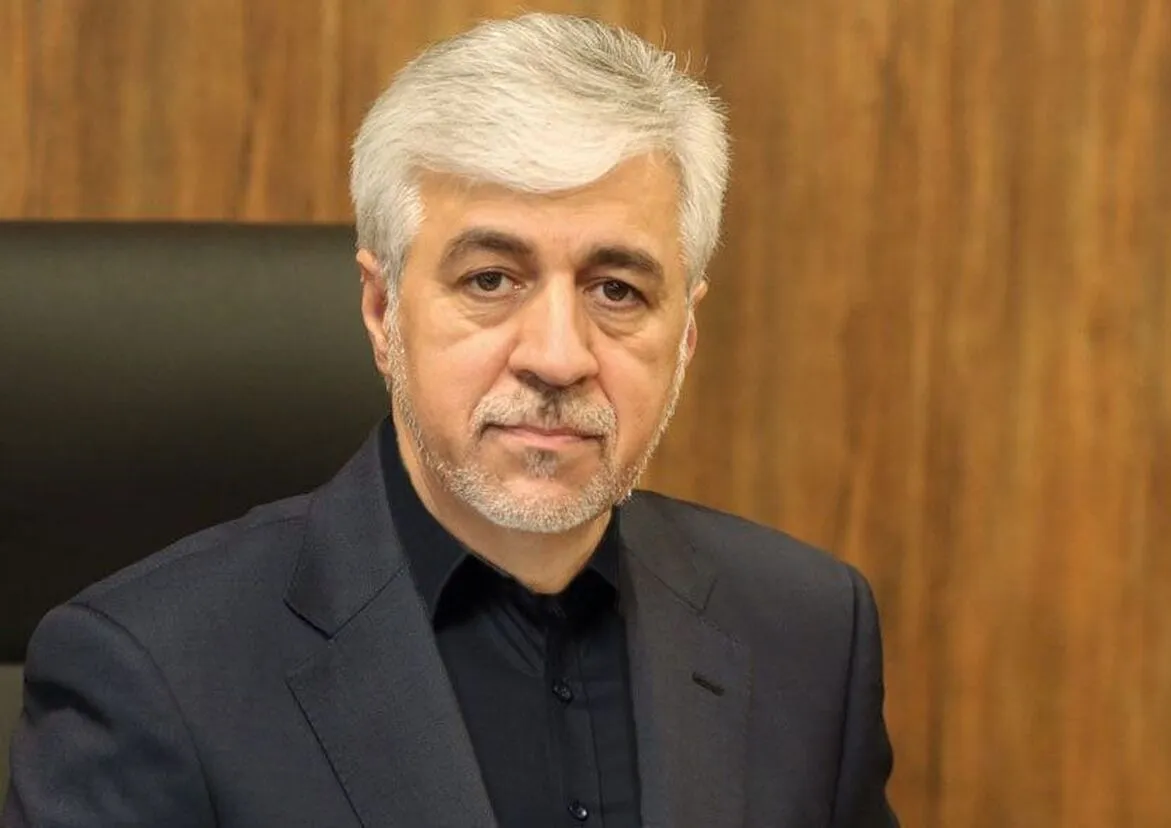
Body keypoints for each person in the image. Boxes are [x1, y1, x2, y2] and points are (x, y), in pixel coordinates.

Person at [3, 13, 898, 828]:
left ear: (687, 334)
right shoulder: (151, 671)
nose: (558, 356)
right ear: (382, 311)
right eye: (490, 280)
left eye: (617, 290)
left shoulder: (811, 635)